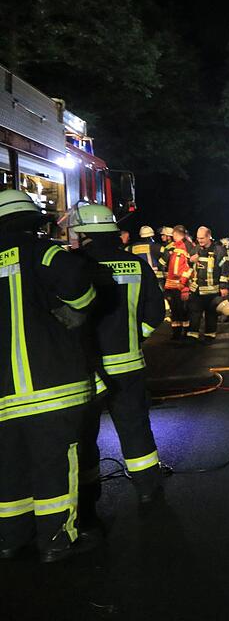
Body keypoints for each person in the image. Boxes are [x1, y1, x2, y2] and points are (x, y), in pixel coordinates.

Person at [0, 189, 100, 563]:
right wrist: (72, 311)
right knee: (53, 461)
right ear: (31, 223)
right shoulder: (44, 252)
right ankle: (57, 539)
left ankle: (11, 538)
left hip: (3, 392)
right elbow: (81, 292)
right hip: (50, 385)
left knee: (9, 465)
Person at [69, 205, 165, 513]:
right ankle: (148, 489)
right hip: (129, 365)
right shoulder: (136, 265)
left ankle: (88, 499)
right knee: (135, 427)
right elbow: (156, 312)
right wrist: (136, 337)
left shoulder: (72, 265)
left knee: (85, 434)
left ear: (83, 234)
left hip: (86, 369)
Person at [187, 227, 229, 344]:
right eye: (198, 238)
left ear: (209, 236)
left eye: (202, 238)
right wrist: (190, 261)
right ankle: (192, 336)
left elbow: (225, 269)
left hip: (212, 290)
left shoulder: (219, 250)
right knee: (194, 313)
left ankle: (209, 336)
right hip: (196, 289)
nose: (199, 241)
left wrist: (223, 286)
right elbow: (188, 266)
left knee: (211, 314)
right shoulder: (195, 249)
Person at [163, 225, 194, 340]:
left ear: (175, 234)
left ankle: (186, 333)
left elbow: (189, 268)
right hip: (173, 286)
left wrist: (184, 286)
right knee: (175, 311)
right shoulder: (177, 246)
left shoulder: (186, 246)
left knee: (184, 311)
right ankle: (176, 333)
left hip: (181, 285)